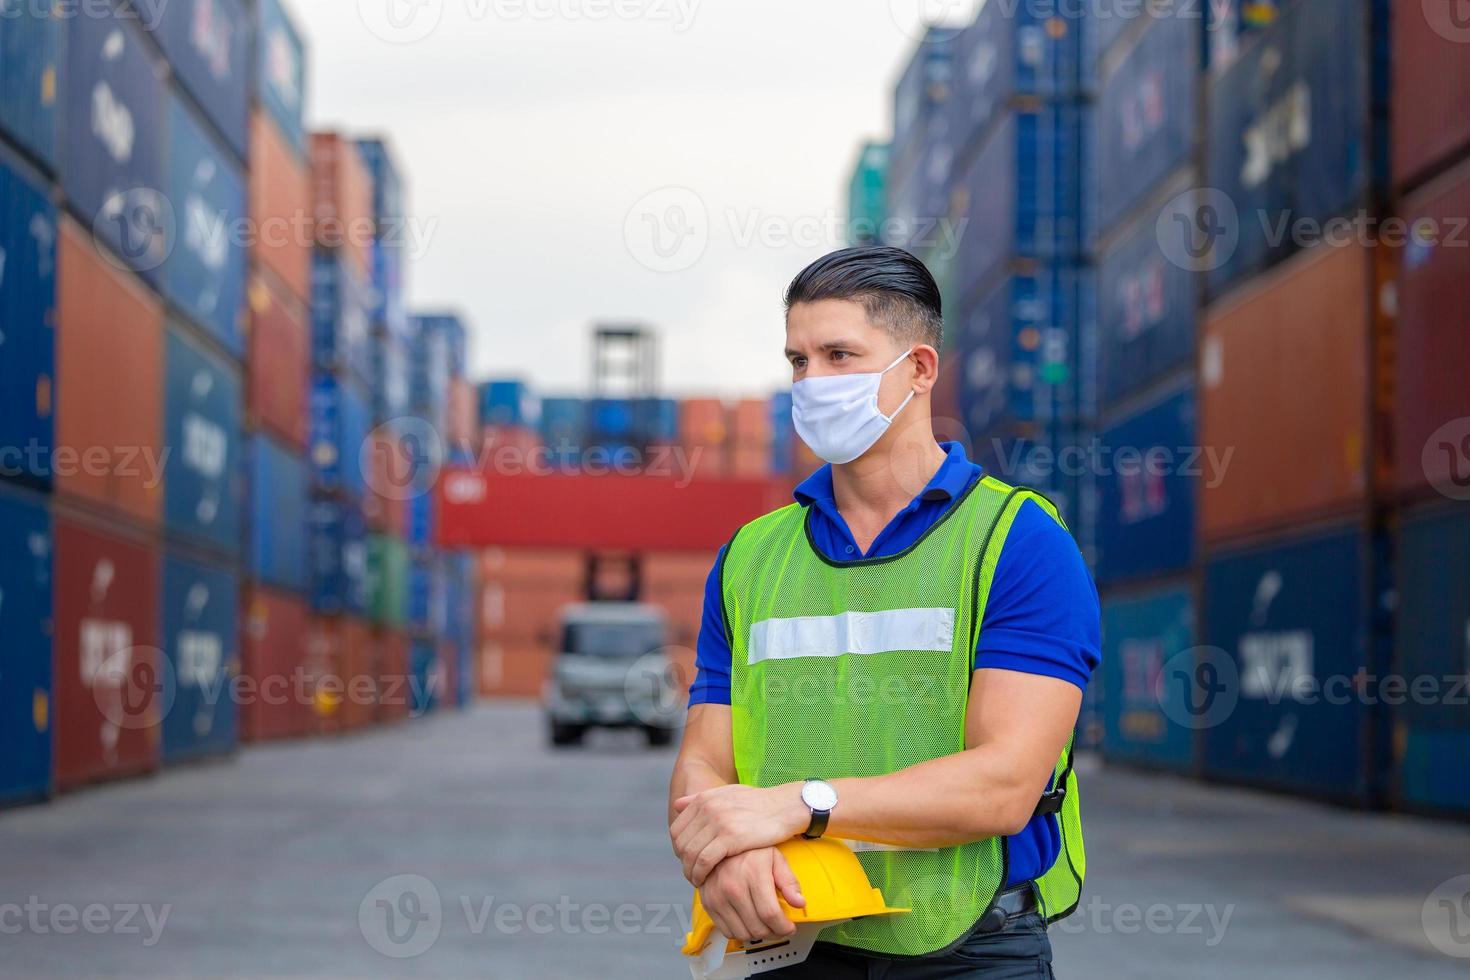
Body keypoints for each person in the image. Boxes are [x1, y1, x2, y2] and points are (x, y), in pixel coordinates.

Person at [668, 246, 1101, 977]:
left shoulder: (1018, 541)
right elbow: (706, 760)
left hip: (971, 949)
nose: (813, 383)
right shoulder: (750, 556)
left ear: (920, 370)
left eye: (840, 355)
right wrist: (723, 856)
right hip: (788, 938)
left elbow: (1004, 784)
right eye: (798, 361)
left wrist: (800, 806)